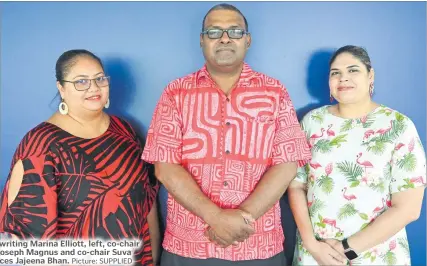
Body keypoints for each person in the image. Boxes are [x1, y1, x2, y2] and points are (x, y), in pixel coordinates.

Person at [142, 3, 311, 266]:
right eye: (214, 32)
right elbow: (165, 167)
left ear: (247, 40)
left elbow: (287, 164)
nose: (224, 38)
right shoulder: (175, 93)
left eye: (234, 31)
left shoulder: (275, 92)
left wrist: (241, 219)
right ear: (201, 40)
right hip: (188, 246)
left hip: (258, 245)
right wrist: (216, 217)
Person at [0, 49, 160, 266]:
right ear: (61, 88)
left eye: (99, 79)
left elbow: (147, 202)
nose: (93, 87)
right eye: (81, 81)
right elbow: (27, 243)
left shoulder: (125, 132)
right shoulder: (40, 146)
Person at [288, 45, 426, 266]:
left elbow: (408, 208)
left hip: (377, 256)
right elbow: (296, 184)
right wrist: (312, 246)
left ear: (370, 76)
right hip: (316, 254)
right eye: (336, 73)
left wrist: (347, 250)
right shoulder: (312, 122)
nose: (343, 78)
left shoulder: (398, 126)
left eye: (353, 70)